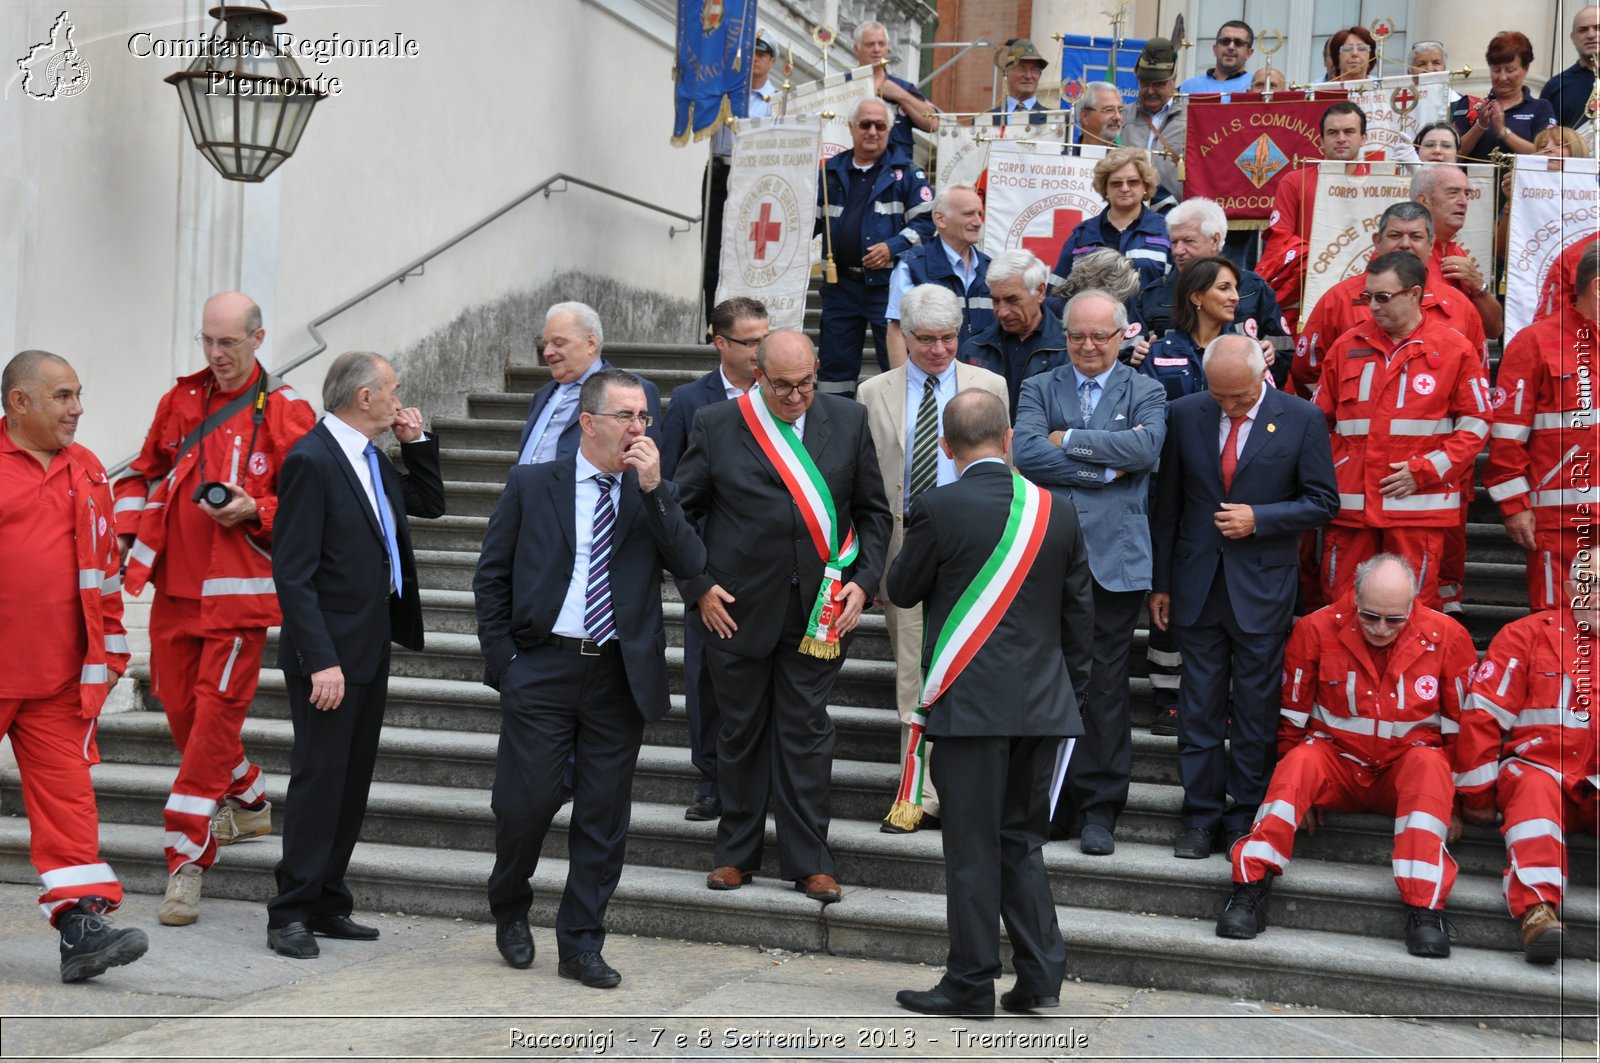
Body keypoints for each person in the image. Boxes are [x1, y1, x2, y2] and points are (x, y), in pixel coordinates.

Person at [475, 368, 704, 986]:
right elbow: (490, 577)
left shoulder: (651, 491)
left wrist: (656, 490)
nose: (638, 428)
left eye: (644, 418)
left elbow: (691, 564)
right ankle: (510, 903)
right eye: (626, 416)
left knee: (602, 818)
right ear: (588, 423)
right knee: (525, 806)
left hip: (617, 675)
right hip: (542, 668)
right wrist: (506, 665)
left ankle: (581, 943)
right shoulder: (532, 484)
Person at [113, 290, 316, 927]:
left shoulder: (288, 412)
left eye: (227, 342)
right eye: (207, 340)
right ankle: (250, 793)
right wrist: (124, 533)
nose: (215, 353)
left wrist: (257, 508)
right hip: (175, 589)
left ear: (258, 339)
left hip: (238, 601)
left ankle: (186, 859)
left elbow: (315, 509)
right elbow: (142, 472)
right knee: (181, 712)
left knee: (209, 729)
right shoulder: (180, 399)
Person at [887, 390, 1093, 1018]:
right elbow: (1079, 618)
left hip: (970, 708)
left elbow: (901, 587)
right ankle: (1041, 975)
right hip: (1042, 706)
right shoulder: (1056, 510)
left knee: (973, 848)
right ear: (1008, 439)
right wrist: (1066, 695)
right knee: (1020, 842)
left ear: (946, 448)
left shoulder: (938, 506)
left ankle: (971, 982)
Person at [674, 330, 891, 904]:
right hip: (736, 612)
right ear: (758, 376)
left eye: (806, 384)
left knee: (805, 734)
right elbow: (679, 513)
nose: (797, 397)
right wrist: (698, 587)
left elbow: (873, 513)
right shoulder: (718, 424)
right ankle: (735, 854)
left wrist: (864, 585)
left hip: (818, 613)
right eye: (784, 386)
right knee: (741, 732)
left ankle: (810, 861)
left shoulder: (846, 419)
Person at [265, 351, 445, 958]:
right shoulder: (313, 460)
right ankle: (289, 911)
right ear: (363, 397)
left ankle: (325, 901)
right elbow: (292, 575)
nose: (399, 400)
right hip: (329, 659)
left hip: (369, 646)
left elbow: (429, 502)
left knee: (351, 783)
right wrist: (321, 660)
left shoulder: (371, 458)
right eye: (392, 391)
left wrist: (417, 441)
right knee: (320, 782)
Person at [1217, 554, 1476, 957]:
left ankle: (1425, 910)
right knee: (1299, 762)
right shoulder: (1315, 629)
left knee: (1430, 764)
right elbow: (1292, 717)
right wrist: (1301, 797)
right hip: (1335, 762)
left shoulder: (1448, 636)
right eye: (1371, 616)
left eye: (1394, 619)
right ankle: (1249, 889)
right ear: (1354, 597)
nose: (1381, 629)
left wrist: (1456, 802)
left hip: (1403, 767)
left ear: (1413, 605)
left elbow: (1462, 730)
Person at [1150, 337, 1339, 859]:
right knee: (1199, 708)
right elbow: (1166, 505)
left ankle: (1244, 813)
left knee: (1256, 711)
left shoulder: (1301, 418)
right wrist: (1161, 582)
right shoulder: (1187, 413)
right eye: (1219, 395)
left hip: (1263, 587)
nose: (1227, 406)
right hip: (1197, 585)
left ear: (1262, 376)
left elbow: (1323, 501)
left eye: (1238, 397)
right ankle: (1200, 816)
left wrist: (1261, 519)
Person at [1, 350, 147, 983]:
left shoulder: (87, 469)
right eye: (63, 396)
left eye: (79, 394)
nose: (78, 408)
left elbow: (104, 571)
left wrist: (111, 646)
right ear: (20, 402)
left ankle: (82, 925)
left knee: (70, 810)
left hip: (61, 681)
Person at [1013, 290, 1168, 853]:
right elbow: (1027, 454)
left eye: (1099, 335)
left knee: (1105, 690)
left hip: (1114, 566)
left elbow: (1146, 450)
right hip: (1045, 559)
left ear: (1122, 335)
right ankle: (1047, 803)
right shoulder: (1037, 386)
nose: (1086, 345)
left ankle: (1100, 808)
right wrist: (1106, 471)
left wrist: (1071, 441)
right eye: (1077, 334)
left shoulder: (1147, 389)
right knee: (1045, 683)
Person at [858, 285, 1008, 834]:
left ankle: (967, 794)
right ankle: (914, 795)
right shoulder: (872, 391)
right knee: (910, 676)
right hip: (905, 546)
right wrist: (869, 565)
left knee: (968, 671)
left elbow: (1005, 476)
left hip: (976, 552)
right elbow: (865, 483)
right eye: (926, 339)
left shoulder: (990, 385)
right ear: (902, 334)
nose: (940, 349)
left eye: (949, 338)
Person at [1312, 251, 1492, 610]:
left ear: (1413, 294)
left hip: (1416, 512)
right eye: (1367, 297)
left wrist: (1424, 471)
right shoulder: (1346, 347)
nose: (1372, 307)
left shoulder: (1454, 349)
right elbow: (1317, 424)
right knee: (1341, 610)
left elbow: (1476, 423)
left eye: (1382, 297)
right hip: (1351, 512)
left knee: (1413, 613)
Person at [1458, 553, 1598, 965]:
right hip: (1544, 772)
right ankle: (1539, 912)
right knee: (1531, 784)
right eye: (1594, 585)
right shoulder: (1525, 636)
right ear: (1572, 591)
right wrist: (1478, 798)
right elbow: (1481, 717)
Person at [659, 297, 769, 823]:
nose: (760, 350)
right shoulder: (688, 401)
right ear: (721, 343)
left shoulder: (782, 391)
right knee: (705, 679)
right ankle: (712, 781)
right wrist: (691, 572)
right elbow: (673, 493)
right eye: (750, 341)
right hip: (708, 568)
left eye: (765, 338)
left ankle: (761, 780)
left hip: (773, 566)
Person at [1482, 242, 1600, 611]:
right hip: (1561, 524)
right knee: (1560, 634)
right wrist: (1515, 506)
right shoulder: (1534, 344)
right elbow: (1505, 439)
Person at [1292, 202, 1486, 400]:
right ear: (1377, 241)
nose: (1404, 244)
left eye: (1416, 237)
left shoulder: (1459, 306)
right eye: (1395, 236)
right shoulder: (1339, 300)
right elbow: (1305, 372)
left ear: (1431, 244)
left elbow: (1476, 382)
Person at [816, 95, 936, 397]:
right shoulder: (828, 171)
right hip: (839, 285)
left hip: (888, 288)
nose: (872, 131)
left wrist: (892, 247)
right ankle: (835, 432)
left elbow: (927, 223)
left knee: (898, 369)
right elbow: (805, 221)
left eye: (880, 125)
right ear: (852, 127)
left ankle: (900, 431)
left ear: (889, 129)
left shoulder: (908, 172)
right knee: (834, 373)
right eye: (865, 124)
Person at [1131, 196, 1289, 380]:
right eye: (1174, 242)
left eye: (1188, 241)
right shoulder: (1153, 294)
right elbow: (1126, 358)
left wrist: (1272, 356)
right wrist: (1135, 356)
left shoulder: (1254, 288)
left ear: (1214, 241)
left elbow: (1285, 351)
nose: (1177, 251)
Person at [1255, 102, 1368, 331]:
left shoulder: (1381, 184)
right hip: (1308, 293)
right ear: (1321, 140)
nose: (1341, 138)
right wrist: (1323, 260)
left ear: (1363, 138)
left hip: (1364, 292)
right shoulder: (1296, 181)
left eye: (1349, 131)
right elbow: (1279, 241)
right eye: (1333, 133)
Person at [517, 302, 662, 465]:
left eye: (558, 343)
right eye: (546, 344)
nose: (547, 352)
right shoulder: (542, 394)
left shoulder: (632, 391)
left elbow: (643, 463)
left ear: (591, 343)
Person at [702, 36, 777, 325]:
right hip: (721, 170)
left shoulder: (777, 100)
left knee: (749, 252)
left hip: (756, 177)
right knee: (712, 250)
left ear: (772, 60)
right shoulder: (725, 92)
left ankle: (749, 321)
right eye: (750, 53)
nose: (755, 58)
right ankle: (714, 320)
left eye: (761, 53)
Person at [884, 181, 991, 367]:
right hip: (929, 382)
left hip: (981, 382)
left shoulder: (991, 269)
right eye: (968, 214)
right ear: (940, 219)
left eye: (980, 214)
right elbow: (897, 332)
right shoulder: (912, 266)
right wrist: (902, 387)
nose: (977, 222)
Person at [958, 249, 1069, 413]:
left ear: (1040, 292)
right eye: (995, 301)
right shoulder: (974, 348)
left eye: (1012, 300)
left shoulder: (1071, 347)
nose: (1002, 312)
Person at [1053, 147, 1172, 291]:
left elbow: (1177, 291)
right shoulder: (1082, 234)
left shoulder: (1166, 231)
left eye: (1133, 182)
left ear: (1145, 186)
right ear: (1105, 188)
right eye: (1116, 183)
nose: (1124, 188)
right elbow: (1057, 292)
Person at [1411, 163, 1504, 339]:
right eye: (1453, 193)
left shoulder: (1458, 253)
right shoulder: (1402, 252)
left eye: (1466, 194)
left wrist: (1479, 288)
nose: (1463, 201)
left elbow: (1494, 330)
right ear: (1424, 201)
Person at [1456, 31, 1557, 161]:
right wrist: (1480, 125)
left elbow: (1546, 155)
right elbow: (1453, 155)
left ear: (1525, 69)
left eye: (1510, 70)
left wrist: (1503, 132)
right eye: (1496, 70)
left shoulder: (1540, 108)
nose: (1502, 77)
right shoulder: (1472, 105)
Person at [852, 20, 937, 162]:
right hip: (855, 171)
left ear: (888, 48)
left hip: (896, 174)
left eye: (881, 44)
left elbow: (933, 123)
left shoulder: (903, 88)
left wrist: (901, 95)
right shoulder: (843, 88)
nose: (877, 49)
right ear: (856, 48)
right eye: (870, 44)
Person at [1122, 39, 1186, 199]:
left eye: (1158, 85)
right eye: (1144, 84)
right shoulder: (1122, 116)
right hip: (1128, 205)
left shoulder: (1191, 119)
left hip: (1172, 211)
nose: (1150, 91)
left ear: (1174, 81)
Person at [1541, 6, 1600, 129]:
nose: (1591, 35)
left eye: (1597, 28)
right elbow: (1544, 141)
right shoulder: (1556, 86)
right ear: (1573, 38)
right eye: (1583, 30)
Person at [1180, 21, 1255, 95]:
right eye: (1225, 41)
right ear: (1215, 49)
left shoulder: (1256, 86)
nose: (1231, 47)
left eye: (1238, 43)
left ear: (1249, 53)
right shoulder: (1189, 87)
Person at [993, 39, 1049, 124]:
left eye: (1034, 69)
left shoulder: (1055, 119)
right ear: (1006, 72)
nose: (1028, 76)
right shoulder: (986, 120)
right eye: (1021, 69)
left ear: (1039, 75)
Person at [1073, 81, 1124, 147]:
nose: (1118, 117)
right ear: (1085, 116)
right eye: (1109, 110)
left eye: (1120, 110)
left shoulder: (1128, 157)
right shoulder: (1064, 156)